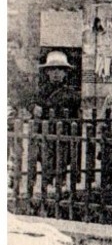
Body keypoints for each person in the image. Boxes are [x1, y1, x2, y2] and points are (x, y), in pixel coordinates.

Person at [30, 50, 82, 193]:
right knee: (46, 159)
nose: (56, 73)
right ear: (47, 72)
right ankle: (46, 185)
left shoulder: (72, 94)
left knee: (63, 159)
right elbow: (32, 104)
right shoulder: (41, 91)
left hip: (64, 131)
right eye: (52, 69)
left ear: (66, 73)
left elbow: (77, 116)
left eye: (60, 69)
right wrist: (33, 108)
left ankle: (61, 184)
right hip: (46, 132)